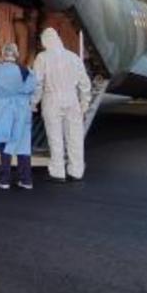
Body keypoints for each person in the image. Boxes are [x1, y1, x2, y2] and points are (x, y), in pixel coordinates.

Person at [32, 27, 92, 183]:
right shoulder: (73, 57)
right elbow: (85, 83)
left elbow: (37, 83)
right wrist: (85, 103)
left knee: (55, 137)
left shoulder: (42, 58)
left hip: (51, 99)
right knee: (75, 137)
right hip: (72, 99)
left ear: (45, 41)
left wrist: (33, 103)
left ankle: (58, 172)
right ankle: (76, 171)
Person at [0, 43, 37, 189]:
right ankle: (26, 180)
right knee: (23, 142)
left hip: (4, 109)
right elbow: (33, 88)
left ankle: (4, 179)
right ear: (16, 54)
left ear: (3, 54)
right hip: (23, 109)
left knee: (5, 140)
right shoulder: (26, 70)